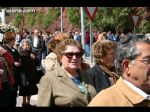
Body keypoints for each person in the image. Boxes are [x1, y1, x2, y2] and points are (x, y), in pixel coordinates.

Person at [88, 34, 150, 106]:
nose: (115, 57)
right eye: (148, 60)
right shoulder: (103, 102)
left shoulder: (114, 73)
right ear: (127, 66)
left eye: (115, 53)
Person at [37, 39, 97, 107]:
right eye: (70, 54)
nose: (74, 58)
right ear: (60, 57)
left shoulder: (87, 75)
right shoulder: (49, 80)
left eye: (78, 54)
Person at [2, 31, 22, 106]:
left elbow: (18, 58)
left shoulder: (14, 49)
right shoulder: (3, 49)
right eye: (14, 39)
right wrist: (14, 63)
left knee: (13, 99)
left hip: (15, 77)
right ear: (10, 40)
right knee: (8, 100)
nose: (15, 41)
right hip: (8, 79)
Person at [18, 39, 38, 107]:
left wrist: (35, 58)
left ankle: (28, 103)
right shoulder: (20, 53)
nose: (28, 46)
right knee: (24, 89)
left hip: (32, 74)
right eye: (26, 45)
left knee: (30, 89)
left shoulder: (32, 52)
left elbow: (37, 63)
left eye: (29, 45)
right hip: (24, 74)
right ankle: (24, 103)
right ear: (22, 45)